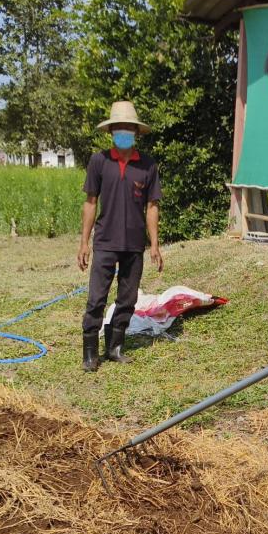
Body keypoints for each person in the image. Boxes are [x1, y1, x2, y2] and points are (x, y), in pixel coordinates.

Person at [77, 99, 163, 372]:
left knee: (128, 299)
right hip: (105, 241)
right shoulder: (99, 161)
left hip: (134, 243)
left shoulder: (148, 165)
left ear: (136, 133)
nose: (124, 132)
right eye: (119, 128)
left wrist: (155, 244)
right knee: (96, 298)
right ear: (112, 131)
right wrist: (84, 242)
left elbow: (152, 206)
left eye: (129, 128)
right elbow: (90, 202)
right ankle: (90, 352)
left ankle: (115, 347)